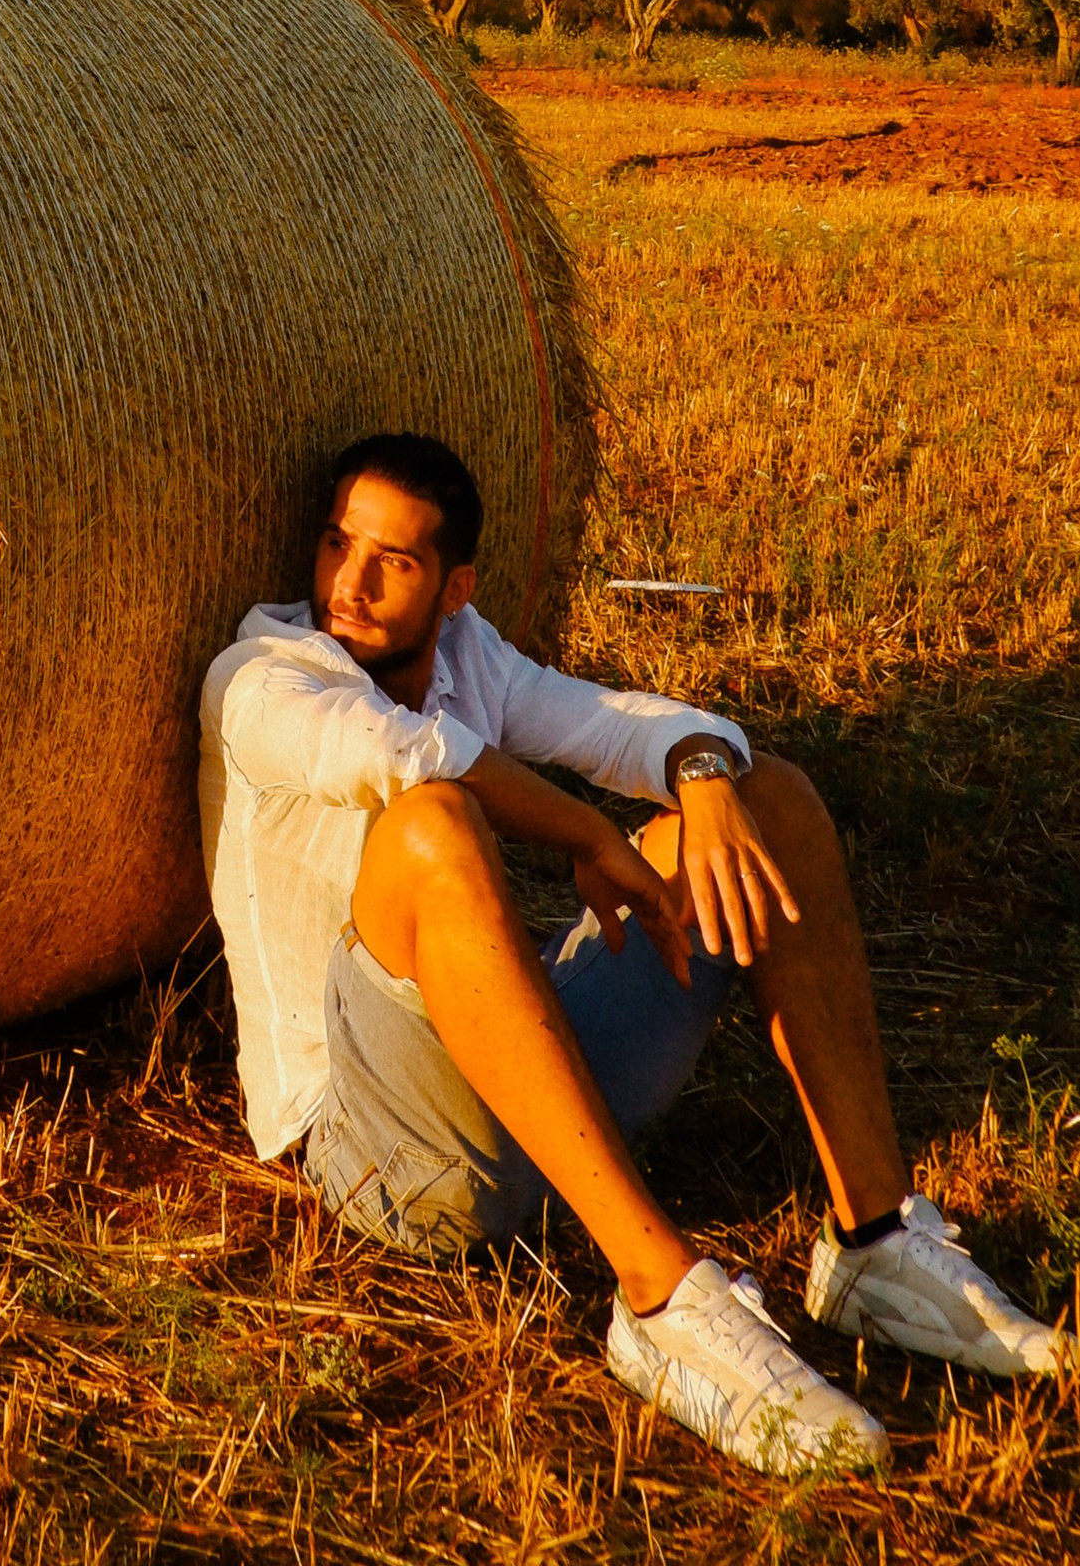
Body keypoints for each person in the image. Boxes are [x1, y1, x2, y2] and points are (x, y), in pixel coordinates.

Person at [201, 432, 1063, 1482]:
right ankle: (660, 1301)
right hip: (382, 1150)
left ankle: (874, 1242)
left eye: (395, 560)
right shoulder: (260, 679)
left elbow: (619, 724)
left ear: (455, 588)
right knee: (430, 823)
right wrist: (590, 834)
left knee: (768, 797)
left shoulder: (469, 655)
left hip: (533, 1092)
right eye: (339, 543)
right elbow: (404, 755)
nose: (350, 582)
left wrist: (700, 774)